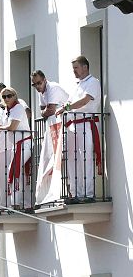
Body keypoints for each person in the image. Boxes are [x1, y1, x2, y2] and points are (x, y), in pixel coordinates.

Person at [55, 56, 102, 200]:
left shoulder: (93, 82)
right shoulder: (77, 85)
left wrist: (66, 107)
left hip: (86, 123)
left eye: (76, 68)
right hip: (73, 125)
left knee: (85, 158)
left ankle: (88, 194)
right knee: (73, 159)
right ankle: (76, 193)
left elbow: (84, 101)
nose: (74, 71)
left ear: (85, 67)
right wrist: (63, 108)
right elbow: (69, 102)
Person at [0, 87, 32, 209]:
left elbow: (12, 126)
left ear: (14, 96)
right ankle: (22, 203)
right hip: (16, 145)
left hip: (24, 143)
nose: (6, 98)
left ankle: (15, 204)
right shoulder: (5, 110)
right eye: (4, 97)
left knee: (13, 170)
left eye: (9, 96)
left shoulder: (18, 107)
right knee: (18, 173)